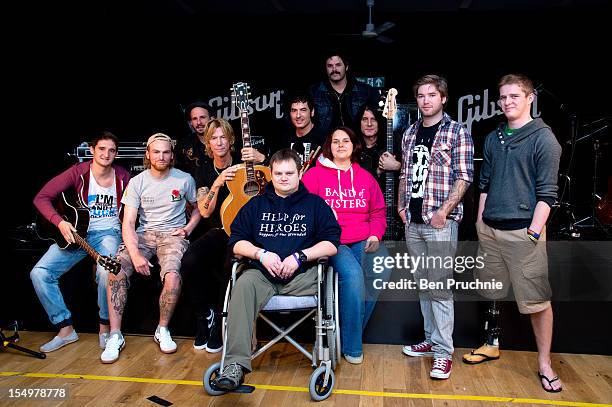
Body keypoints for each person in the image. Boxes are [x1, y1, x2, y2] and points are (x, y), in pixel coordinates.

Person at [464, 74, 563, 392]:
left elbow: (547, 194)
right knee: (491, 290)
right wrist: (481, 221)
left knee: (537, 302)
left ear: (530, 97)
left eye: (514, 96)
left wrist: (533, 234)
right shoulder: (495, 137)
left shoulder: (544, 139)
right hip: (490, 229)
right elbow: (485, 183)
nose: (507, 102)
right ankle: (491, 343)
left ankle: (545, 364)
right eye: (503, 97)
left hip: (524, 233)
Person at [213, 149, 340, 390]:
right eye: (278, 173)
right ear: (270, 173)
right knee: (242, 284)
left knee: (325, 279)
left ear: (299, 173)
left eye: (289, 173)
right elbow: (236, 242)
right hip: (263, 275)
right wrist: (261, 254)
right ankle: (234, 366)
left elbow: (331, 243)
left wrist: (299, 256)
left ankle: (322, 353)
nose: (283, 178)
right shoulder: (256, 205)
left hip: (304, 276)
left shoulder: (315, 205)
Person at [100, 133, 201, 363]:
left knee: (173, 277)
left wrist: (188, 229)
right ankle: (115, 335)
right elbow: (127, 223)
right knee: (114, 271)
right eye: (156, 152)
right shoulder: (138, 181)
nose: (161, 156)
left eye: (166, 152)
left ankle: (162, 329)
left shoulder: (184, 179)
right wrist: (135, 255)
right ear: (148, 154)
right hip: (144, 235)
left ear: (172, 155)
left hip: (172, 235)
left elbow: (197, 209)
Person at [398, 75, 474, 380]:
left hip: (440, 223)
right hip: (412, 222)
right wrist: (401, 208)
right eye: (420, 95)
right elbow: (405, 171)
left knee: (439, 288)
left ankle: (444, 353)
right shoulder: (409, 133)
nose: (426, 100)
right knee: (423, 284)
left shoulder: (457, 132)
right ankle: (431, 341)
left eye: (432, 95)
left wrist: (444, 211)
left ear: (443, 98)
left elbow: (465, 176)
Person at [31, 131, 130, 352]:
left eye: (111, 150)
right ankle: (65, 329)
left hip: (108, 233)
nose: (106, 154)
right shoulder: (78, 172)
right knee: (40, 273)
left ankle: (105, 328)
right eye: (101, 149)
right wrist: (59, 223)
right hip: (76, 234)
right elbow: (41, 198)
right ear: (92, 150)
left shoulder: (123, 176)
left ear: (116, 153)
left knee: (107, 272)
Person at [302, 127, 387, 365]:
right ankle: (352, 346)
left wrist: (375, 235)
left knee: (382, 268)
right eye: (335, 141)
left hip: (363, 239)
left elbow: (378, 212)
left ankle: (345, 333)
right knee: (352, 275)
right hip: (332, 241)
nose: (341, 144)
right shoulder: (314, 176)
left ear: (353, 145)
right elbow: (302, 208)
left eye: (346, 140)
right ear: (329, 146)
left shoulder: (365, 177)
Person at [180, 118, 244, 352]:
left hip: (243, 233)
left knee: (229, 266)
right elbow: (205, 212)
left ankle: (220, 320)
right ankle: (203, 315)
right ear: (208, 143)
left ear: (231, 140)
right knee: (188, 260)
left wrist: (260, 159)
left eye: (223, 137)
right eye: (214, 138)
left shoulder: (243, 164)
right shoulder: (204, 170)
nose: (219, 142)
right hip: (217, 230)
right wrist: (216, 183)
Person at [357, 103, 403, 239]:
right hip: (365, 212)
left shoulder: (394, 142)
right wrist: (377, 171)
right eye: (365, 119)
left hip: (396, 212)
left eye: (374, 119)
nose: (369, 124)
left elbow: (415, 170)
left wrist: (397, 166)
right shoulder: (353, 148)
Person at [309, 52, 380, 135]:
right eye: (330, 66)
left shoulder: (365, 91)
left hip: (357, 143)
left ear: (346, 67)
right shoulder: (314, 92)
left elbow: (377, 118)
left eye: (338, 65)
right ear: (326, 68)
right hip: (325, 143)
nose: (334, 69)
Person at [275, 93, 325, 167]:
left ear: (312, 112)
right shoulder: (284, 139)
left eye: (303, 110)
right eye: (294, 110)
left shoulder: (323, 139)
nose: (298, 115)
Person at [175, 101, 214, 176]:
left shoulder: (222, 142)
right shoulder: (184, 145)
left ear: (211, 119)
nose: (199, 122)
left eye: (202, 117)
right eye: (194, 119)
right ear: (190, 122)